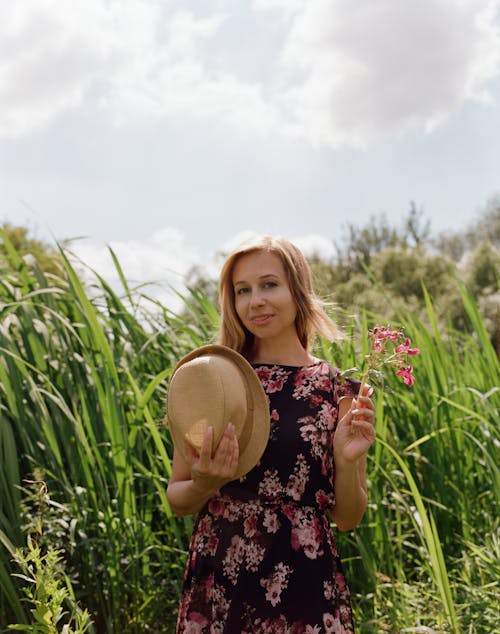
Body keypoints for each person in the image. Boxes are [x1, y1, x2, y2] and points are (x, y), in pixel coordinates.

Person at [166, 235, 376, 633]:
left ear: (298, 290)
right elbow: (177, 496)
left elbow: (347, 517)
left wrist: (346, 462)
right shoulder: (213, 378)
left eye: (269, 285)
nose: (255, 301)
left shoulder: (337, 389)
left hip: (303, 582)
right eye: (242, 290)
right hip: (222, 578)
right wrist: (205, 484)